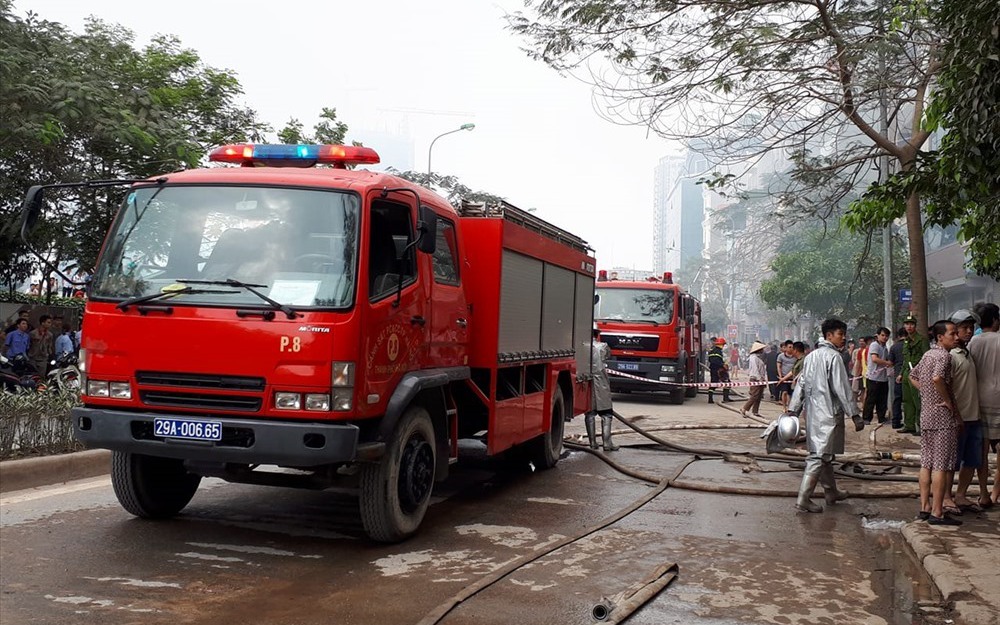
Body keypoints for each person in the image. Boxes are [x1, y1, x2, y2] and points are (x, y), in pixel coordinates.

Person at [787, 318, 862, 513]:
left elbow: (801, 383)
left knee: (825, 456)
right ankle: (803, 498)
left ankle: (831, 492)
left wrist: (793, 408)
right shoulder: (834, 357)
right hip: (829, 413)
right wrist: (854, 414)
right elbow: (842, 389)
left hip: (813, 413)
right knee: (817, 457)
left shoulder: (811, 357)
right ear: (829, 335)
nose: (843, 338)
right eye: (840, 334)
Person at [909, 320, 963, 525]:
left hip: (926, 416)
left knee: (926, 463)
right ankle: (938, 512)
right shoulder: (944, 356)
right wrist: (947, 401)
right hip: (942, 417)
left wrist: (927, 394)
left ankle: (925, 507)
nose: (956, 337)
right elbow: (938, 378)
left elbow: (912, 377)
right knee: (940, 464)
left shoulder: (927, 354)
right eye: (952, 333)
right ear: (940, 337)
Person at [947, 310, 986, 513]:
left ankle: (960, 495)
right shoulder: (950, 356)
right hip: (958, 418)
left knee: (971, 460)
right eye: (964, 328)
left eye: (971, 328)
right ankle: (946, 497)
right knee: (951, 462)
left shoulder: (967, 353)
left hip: (974, 416)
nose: (969, 332)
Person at [968, 302, 1000, 507]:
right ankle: (997, 492)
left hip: (979, 400)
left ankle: (983, 493)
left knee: (982, 449)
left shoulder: (973, 342)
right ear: (996, 320)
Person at [584, 327, 618, 452]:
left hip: (587, 382)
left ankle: (592, 443)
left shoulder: (583, 347)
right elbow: (608, 355)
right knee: (607, 414)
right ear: (597, 335)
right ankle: (607, 443)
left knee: (590, 413)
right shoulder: (603, 346)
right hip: (601, 382)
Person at [901, 314, 930, 434]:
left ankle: (920, 425)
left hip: (918, 374)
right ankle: (909, 425)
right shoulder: (906, 341)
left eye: (911, 324)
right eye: (907, 324)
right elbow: (905, 358)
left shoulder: (922, 340)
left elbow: (926, 357)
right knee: (907, 400)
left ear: (915, 326)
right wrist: (901, 373)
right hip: (907, 373)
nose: (909, 326)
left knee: (918, 401)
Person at [862, 327, 892, 425]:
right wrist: (887, 362)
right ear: (878, 335)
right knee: (871, 399)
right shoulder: (874, 345)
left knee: (882, 400)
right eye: (882, 335)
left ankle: (882, 418)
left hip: (883, 378)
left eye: (886, 336)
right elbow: (874, 359)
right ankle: (866, 418)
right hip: (874, 378)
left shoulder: (885, 348)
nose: (885, 337)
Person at [740, 341, 768, 418]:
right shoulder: (753, 357)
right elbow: (755, 370)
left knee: (759, 396)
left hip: (760, 378)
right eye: (761, 348)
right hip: (756, 379)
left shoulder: (757, 357)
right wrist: (760, 380)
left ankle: (755, 411)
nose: (763, 350)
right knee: (754, 396)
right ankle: (745, 409)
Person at [889, 327, 907, 429]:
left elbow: (891, 362)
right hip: (910, 375)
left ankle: (896, 421)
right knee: (910, 401)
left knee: (897, 399)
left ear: (898, 336)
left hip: (898, 377)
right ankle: (912, 422)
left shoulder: (894, 347)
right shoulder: (911, 346)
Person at [707, 337, 733, 403]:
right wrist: (723, 365)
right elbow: (716, 361)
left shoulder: (712, 350)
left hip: (713, 370)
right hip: (720, 370)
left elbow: (710, 360)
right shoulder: (718, 352)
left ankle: (710, 399)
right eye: (723, 345)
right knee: (727, 383)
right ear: (721, 344)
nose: (724, 346)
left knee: (713, 383)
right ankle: (725, 398)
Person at [776, 340, 796, 409]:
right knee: (784, 392)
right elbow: (778, 366)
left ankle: (790, 407)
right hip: (783, 377)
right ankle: (784, 407)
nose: (791, 348)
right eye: (789, 347)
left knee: (791, 394)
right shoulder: (781, 356)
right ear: (786, 348)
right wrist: (780, 376)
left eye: (792, 347)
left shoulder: (795, 356)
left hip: (793, 378)